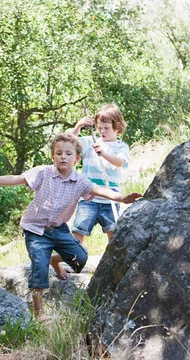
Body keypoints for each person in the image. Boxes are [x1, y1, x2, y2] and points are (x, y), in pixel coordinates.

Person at [0, 133, 141, 318]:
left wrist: (123, 198)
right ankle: (40, 315)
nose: (63, 157)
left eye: (68, 154)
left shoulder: (80, 181)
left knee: (80, 259)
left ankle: (56, 260)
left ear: (77, 158)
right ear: (53, 157)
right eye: (59, 153)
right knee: (39, 268)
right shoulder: (43, 173)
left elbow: (101, 190)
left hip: (59, 229)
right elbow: (16, 179)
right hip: (35, 230)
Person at [50, 103, 130, 272]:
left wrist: (104, 153)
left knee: (114, 237)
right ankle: (62, 261)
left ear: (117, 127)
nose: (102, 131)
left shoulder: (121, 146)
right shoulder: (89, 142)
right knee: (77, 238)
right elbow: (67, 143)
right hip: (89, 199)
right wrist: (78, 126)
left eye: (106, 128)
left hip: (110, 199)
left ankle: (112, 268)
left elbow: (120, 162)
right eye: (99, 127)